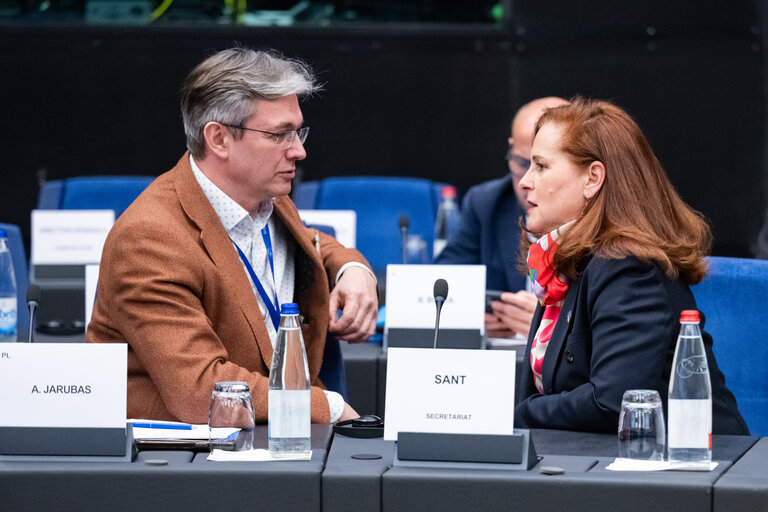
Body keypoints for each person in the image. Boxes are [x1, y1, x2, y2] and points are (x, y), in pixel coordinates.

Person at [86, 48, 379, 425]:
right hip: (188, 462)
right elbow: (205, 392)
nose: (300, 150)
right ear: (219, 139)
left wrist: (352, 268)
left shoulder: (264, 195)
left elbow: (308, 241)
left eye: (298, 131)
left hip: (270, 437)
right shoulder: (149, 240)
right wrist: (330, 408)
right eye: (280, 135)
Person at [514, 97, 749, 434]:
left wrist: (515, 416)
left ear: (592, 178)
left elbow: (613, 402)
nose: (525, 181)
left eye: (541, 166)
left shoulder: (626, 265)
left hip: (687, 472)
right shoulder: (570, 260)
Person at [436, 97, 569, 339]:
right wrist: (472, 319)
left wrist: (549, 325)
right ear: (510, 148)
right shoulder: (487, 203)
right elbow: (442, 284)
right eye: (522, 163)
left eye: (542, 166)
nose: (528, 182)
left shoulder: (603, 223)